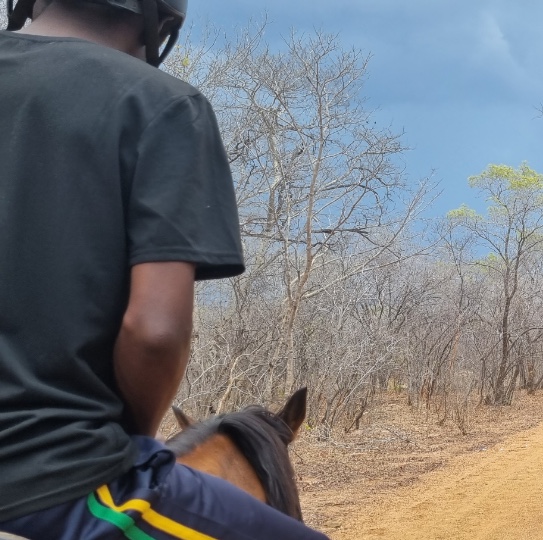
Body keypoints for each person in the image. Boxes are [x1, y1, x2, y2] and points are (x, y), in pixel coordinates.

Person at [0, 1, 326, 538]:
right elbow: (155, 332)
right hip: (49, 478)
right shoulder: (160, 106)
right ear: (162, 23)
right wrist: (135, 444)